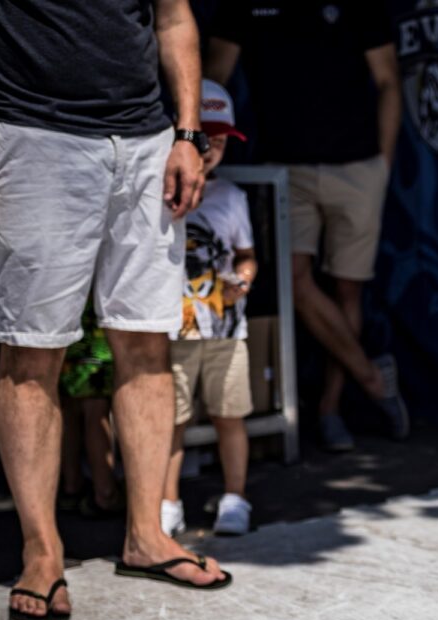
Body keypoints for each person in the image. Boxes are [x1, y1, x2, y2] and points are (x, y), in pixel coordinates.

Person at [0, 0, 230, 620]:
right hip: (32, 133)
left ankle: (146, 536)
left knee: (147, 342)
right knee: (31, 349)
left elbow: (174, 17)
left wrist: (187, 133)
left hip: (149, 140)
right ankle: (41, 552)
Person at [204, 1, 409, 453]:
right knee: (295, 281)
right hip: (285, 169)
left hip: (357, 166)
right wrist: (198, 142)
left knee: (347, 289)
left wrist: (383, 164)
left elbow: (388, 81)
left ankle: (330, 409)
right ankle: (372, 378)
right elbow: (212, 77)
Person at [163, 81, 258, 538]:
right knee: (170, 420)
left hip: (225, 329)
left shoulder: (233, 198)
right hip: (172, 330)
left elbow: (246, 256)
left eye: (223, 139)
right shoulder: (158, 192)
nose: (215, 147)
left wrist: (245, 279)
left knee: (230, 415)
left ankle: (235, 497)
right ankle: (166, 503)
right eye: (207, 137)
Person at [59, 301, 124, 520]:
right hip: (94, 331)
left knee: (68, 408)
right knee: (96, 410)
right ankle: (105, 491)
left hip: (67, 324)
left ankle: (71, 486)